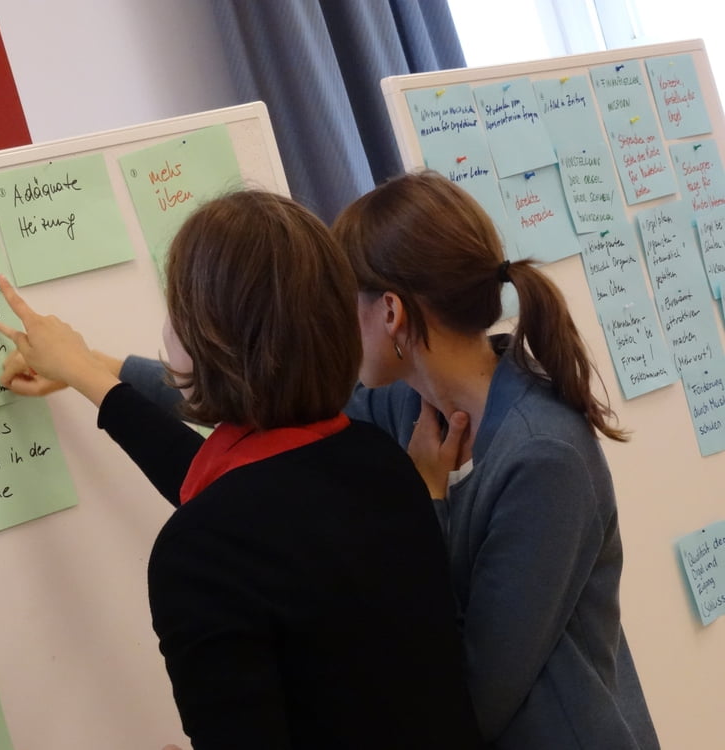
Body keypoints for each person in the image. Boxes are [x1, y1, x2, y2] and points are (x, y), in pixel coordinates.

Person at [89, 171, 661, 749]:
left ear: (390, 313)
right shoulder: (403, 404)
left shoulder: (544, 457)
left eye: (340, 301)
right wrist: (101, 370)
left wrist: (427, 499)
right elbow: (256, 403)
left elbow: (471, 696)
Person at [0, 190, 484, 749]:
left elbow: (233, 517)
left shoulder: (201, 550)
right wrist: (86, 372)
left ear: (209, 341)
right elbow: (232, 491)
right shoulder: (379, 461)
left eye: (174, 313)